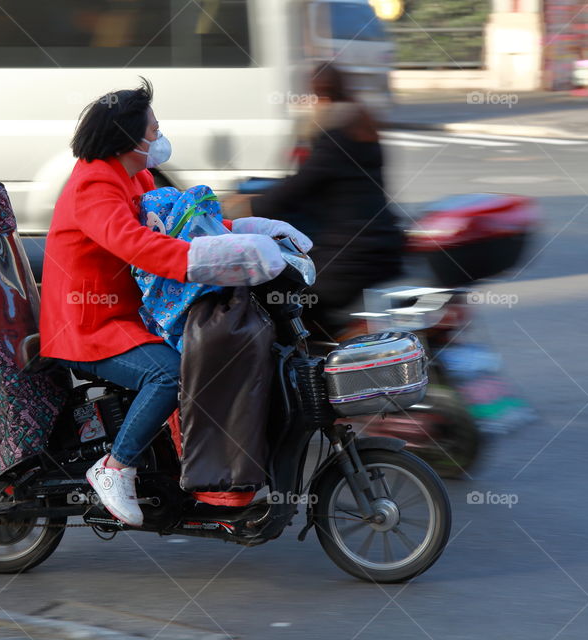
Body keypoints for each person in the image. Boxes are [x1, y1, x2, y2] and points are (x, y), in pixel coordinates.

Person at [39, 80, 309, 526]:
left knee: (208, 361)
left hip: (127, 314)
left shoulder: (136, 175)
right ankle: (113, 468)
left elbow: (184, 222)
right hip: (89, 326)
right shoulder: (94, 185)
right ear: (127, 138)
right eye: (152, 131)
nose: (158, 138)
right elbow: (138, 246)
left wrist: (247, 230)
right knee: (170, 374)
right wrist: (206, 259)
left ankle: (206, 483)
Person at [226, 62, 404, 338]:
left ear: (317, 95)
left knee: (283, 297)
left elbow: (300, 186)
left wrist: (244, 207)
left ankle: (334, 355)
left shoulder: (335, 135)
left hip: (352, 254)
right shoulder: (362, 125)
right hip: (379, 242)